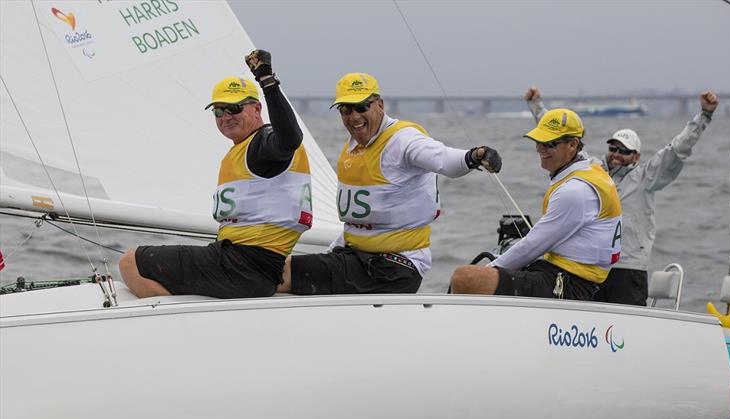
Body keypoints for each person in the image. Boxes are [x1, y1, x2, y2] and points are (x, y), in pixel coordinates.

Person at [276, 72, 502, 295]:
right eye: (345, 109)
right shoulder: (354, 146)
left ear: (380, 105)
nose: (353, 116)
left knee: (277, 274)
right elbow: (356, 226)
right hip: (358, 258)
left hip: (396, 266)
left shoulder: (403, 140)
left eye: (362, 106)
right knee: (274, 268)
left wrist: (475, 155)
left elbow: (445, 160)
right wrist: (330, 251)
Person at [119, 50, 312, 299]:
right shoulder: (244, 148)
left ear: (256, 109)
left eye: (233, 108)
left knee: (130, 262)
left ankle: (179, 327)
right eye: (218, 112)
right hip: (252, 267)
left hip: (244, 266)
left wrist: (267, 81)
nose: (225, 117)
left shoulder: (264, 144)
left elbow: (290, 138)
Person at [524, 87, 718, 305]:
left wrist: (705, 115)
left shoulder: (647, 176)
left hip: (629, 268)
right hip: (591, 268)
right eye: (613, 148)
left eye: (625, 151)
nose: (617, 154)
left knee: (627, 333)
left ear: (636, 156)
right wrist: (536, 106)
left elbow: (677, 149)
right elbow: (559, 138)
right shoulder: (591, 169)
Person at [450, 109, 622, 300]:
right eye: (538, 141)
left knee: (465, 278)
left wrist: (486, 272)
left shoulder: (575, 191)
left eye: (549, 143)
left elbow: (532, 246)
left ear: (573, 145)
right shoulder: (591, 167)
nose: (540, 149)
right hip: (563, 273)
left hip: (572, 285)